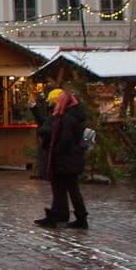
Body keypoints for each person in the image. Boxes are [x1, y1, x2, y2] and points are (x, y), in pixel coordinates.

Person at [37, 89, 89, 229]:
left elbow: (65, 138)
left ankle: (73, 218)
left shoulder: (67, 118)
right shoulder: (75, 116)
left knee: (67, 189)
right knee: (70, 189)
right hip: (72, 158)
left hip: (66, 159)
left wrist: (55, 153)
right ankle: (74, 217)